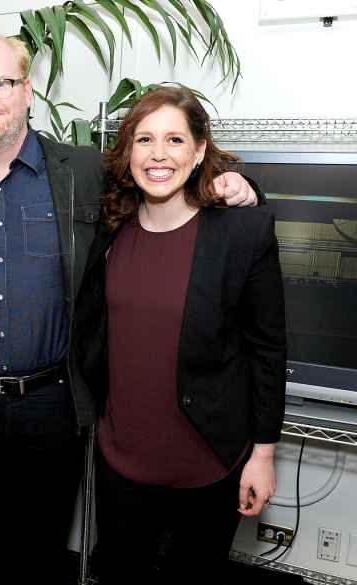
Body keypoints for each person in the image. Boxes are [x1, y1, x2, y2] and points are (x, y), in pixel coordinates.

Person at [0, 29, 260, 584]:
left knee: (42, 559)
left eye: (1, 82)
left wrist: (242, 186)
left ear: (26, 90)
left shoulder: (83, 172)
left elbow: (165, 176)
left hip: (54, 406)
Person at [75, 86, 286, 583]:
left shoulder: (241, 234)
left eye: (174, 140)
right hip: (122, 466)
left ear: (198, 150)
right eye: (144, 139)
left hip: (209, 466)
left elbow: (268, 349)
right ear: (128, 153)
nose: (158, 154)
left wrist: (263, 454)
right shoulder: (110, 229)